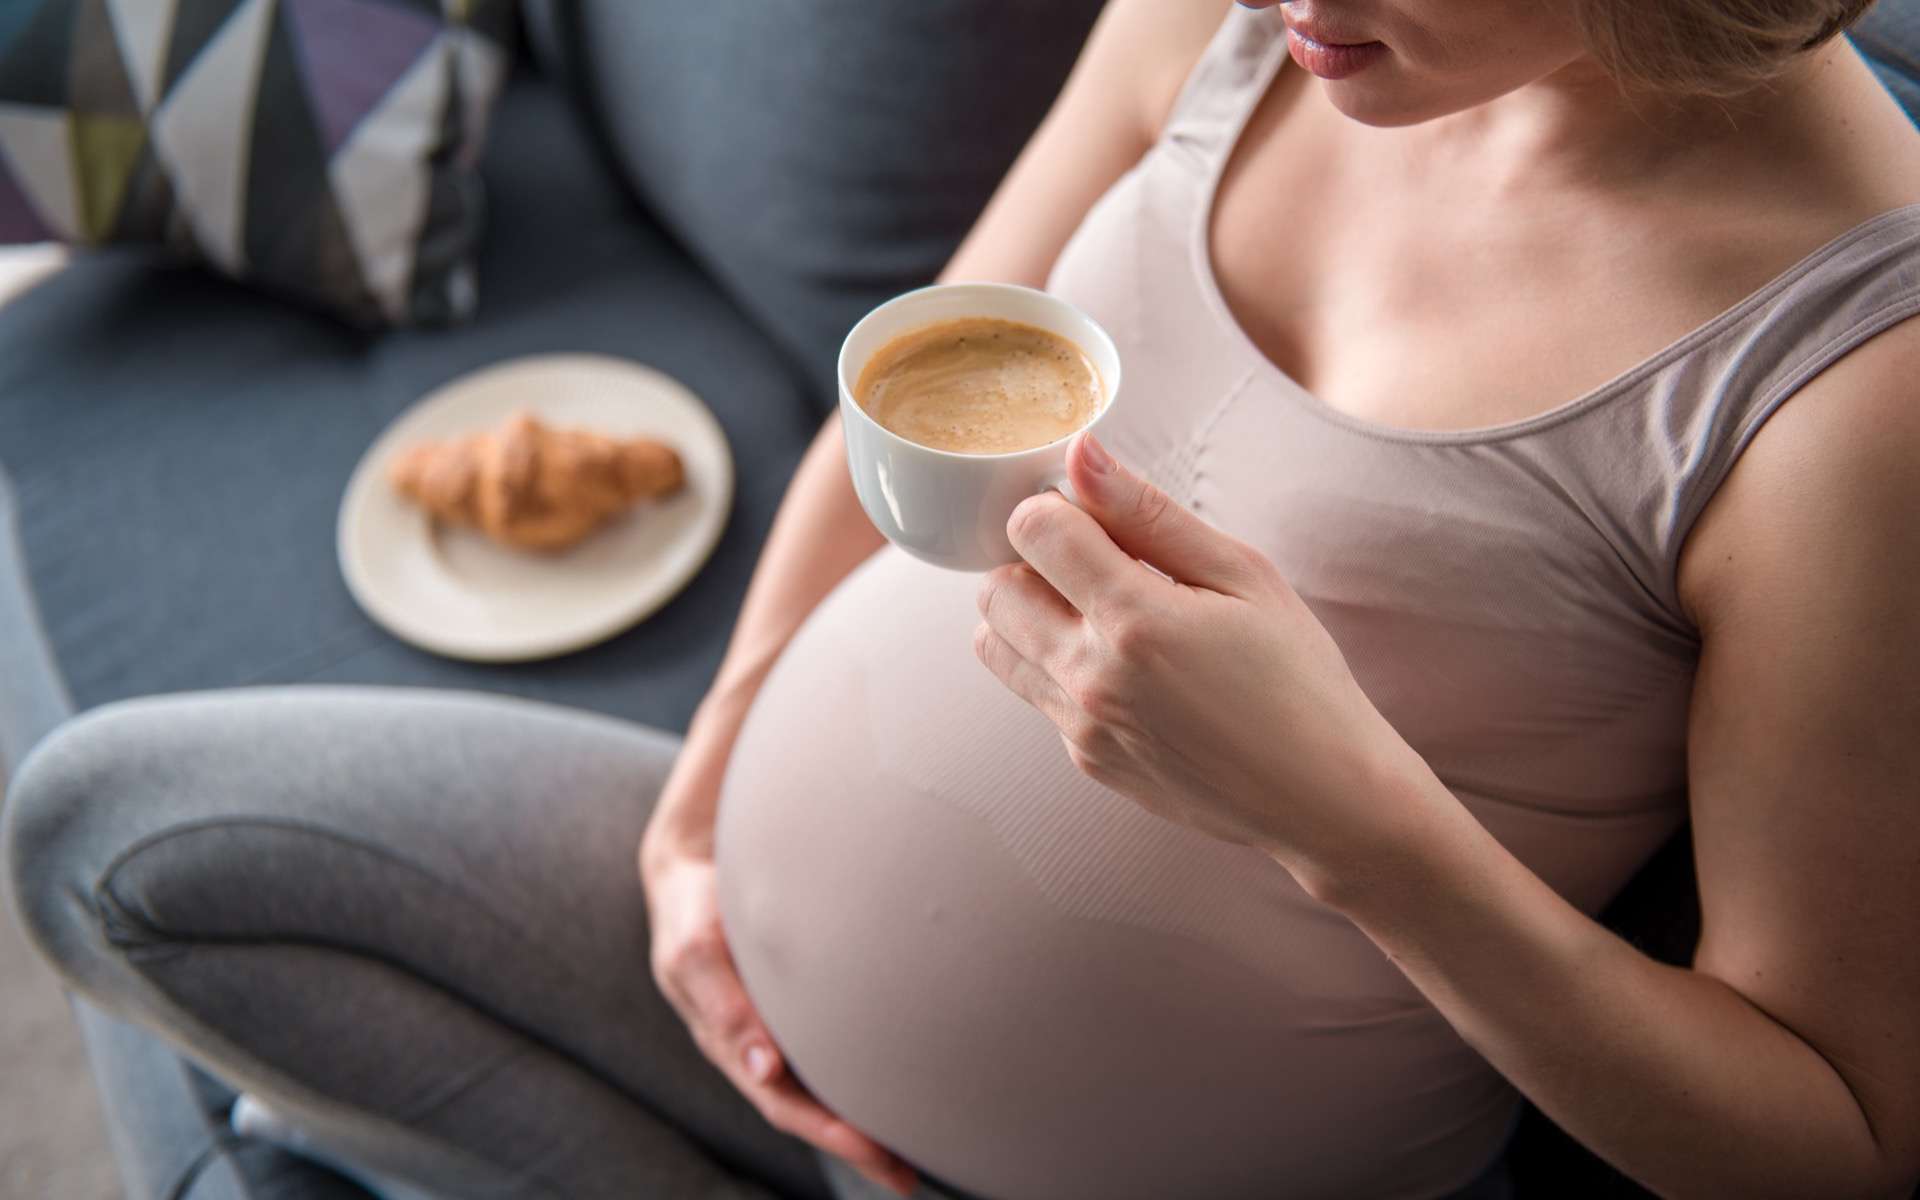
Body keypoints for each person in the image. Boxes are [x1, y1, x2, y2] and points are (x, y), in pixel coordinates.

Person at [7, 0, 1919, 1197]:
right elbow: (909, 380)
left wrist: (1351, 828)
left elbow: (1826, 1141)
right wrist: (704, 792)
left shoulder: (1851, 378)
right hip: (738, 950)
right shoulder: (1239, 18)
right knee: (107, 834)